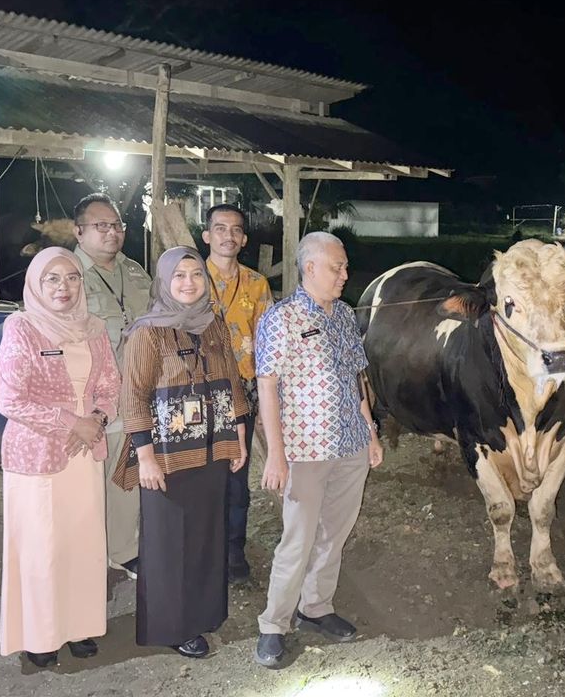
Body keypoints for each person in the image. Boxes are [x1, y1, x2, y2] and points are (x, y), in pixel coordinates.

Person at [253, 231, 384, 669]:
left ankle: (317, 607)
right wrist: (275, 453)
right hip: (304, 450)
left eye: (344, 267)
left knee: (335, 533)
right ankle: (273, 624)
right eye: (337, 267)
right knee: (298, 538)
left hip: (350, 444)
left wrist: (371, 432)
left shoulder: (345, 316)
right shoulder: (281, 318)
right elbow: (267, 387)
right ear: (310, 268)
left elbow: (356, 379)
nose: (345, 275)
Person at [112, 246, 248, 659]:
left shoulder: (214, 325)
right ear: (165, 283)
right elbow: (133, 397)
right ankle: (172, 626)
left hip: (213, 449)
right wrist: (146, 457)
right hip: (168, 456)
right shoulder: (147, 332)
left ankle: (204, 612)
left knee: (207, 535)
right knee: (170, 544)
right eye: (179, 276)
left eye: (195, 275)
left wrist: (239, 438)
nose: (189, 283)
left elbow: (232, 384)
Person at [0, 247, 120, 667]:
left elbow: (109, 385)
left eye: (71, 278)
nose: (64, 287)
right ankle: (41, 633)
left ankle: (80, 625)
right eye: (52, 278)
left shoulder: (94, 328)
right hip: (37, 455)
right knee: (43, 546)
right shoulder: (22, 328)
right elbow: (10, 399)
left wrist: (97, 419)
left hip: (85, 452)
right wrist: (72, 423)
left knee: (83, 540)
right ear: (35, 284)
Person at [72, 193, 153, 580]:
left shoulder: (135, 271)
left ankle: (122, 549)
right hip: (87, 398)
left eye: (117, 225)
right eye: (100, 226)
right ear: (79, 231)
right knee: (84, 481)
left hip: (134, 391)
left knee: (125, 471)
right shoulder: (65, 273)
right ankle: (85, 551)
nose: (111, 232)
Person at [202, 203, 273, 582]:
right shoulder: (187, 278)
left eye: (236, 229)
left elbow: (268, 347)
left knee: (235, 479)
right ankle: (200, 550)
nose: (228, 235)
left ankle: (233, 551)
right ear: (207, 235)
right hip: (194, 394)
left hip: (241, 396)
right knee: (196, 476)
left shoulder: (258, 285)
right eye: (220, 228)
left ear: (243, 238)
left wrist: (265, 402)